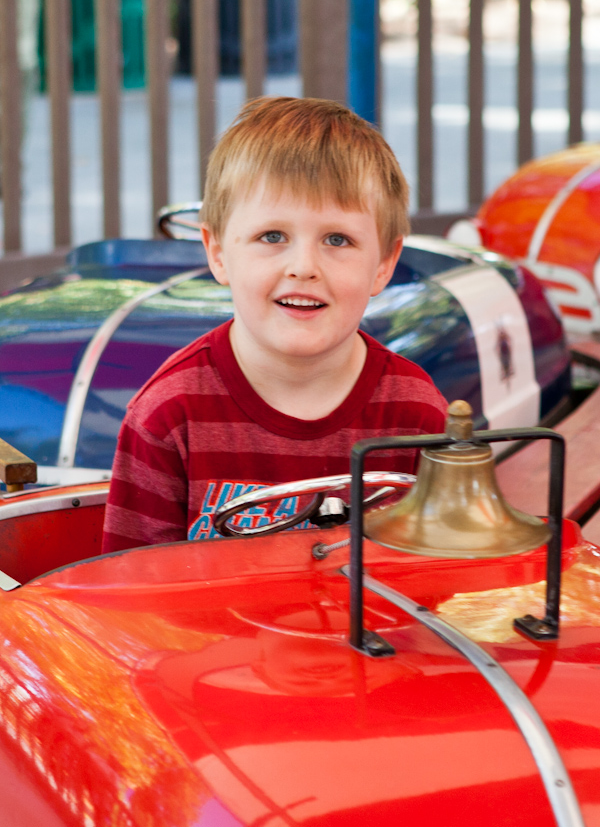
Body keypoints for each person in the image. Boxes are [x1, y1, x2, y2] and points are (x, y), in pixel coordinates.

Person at [102, 96, 447, 553]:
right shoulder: (168, 414)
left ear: (383, 264)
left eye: (337, 239)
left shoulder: (417, 415)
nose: (303, 266)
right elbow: (127, 596)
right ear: (218, 251)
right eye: (272, 236)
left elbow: (447, 584)